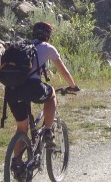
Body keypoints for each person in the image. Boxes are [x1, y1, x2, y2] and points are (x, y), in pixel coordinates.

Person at [7, 21, 78, 164]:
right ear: (48, 36)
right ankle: (47, 131)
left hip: (12, 90)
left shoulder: (21, 46)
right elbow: (64, 71)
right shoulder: (47, 48)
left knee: (22, 128)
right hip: (32, 87)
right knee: (51, 92)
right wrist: (73, 86)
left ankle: (17, 164)